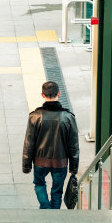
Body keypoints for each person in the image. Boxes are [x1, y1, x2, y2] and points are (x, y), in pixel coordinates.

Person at [22, 81, 79, 209]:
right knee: (57, 191)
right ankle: (54, 213)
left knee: (39, 184)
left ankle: (45, 207)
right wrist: (74, 166)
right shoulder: (68, 117)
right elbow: (73, 145)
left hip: (40, 161)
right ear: (58, 93)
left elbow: (29, 143)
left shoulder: (34, 117)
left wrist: (26, 165)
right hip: (61, 161)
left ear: (42, 95)